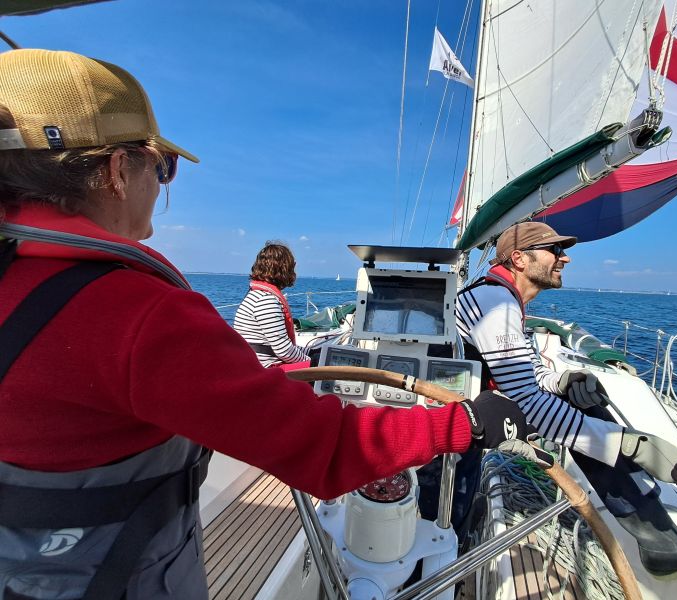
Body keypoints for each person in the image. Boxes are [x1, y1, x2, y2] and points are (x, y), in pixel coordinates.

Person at [0, 48, 530, 600]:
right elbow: (328, 449)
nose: (162, 187)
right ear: (115, 171)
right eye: (162, 166)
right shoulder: (138, 314)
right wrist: (464, 422)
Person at [455, 221, 677, 580]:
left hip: (480, 410)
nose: (565, 258)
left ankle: (660, 538)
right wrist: (627, 444)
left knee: (578, 400)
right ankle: (662, 541)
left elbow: (530, 377)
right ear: (519, 259)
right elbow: (525, 399)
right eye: (554, 251)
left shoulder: (502, 298)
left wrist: (565, 379)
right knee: (585, 418)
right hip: (468, 420)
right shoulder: (495, 302)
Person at [234, 242, 310, 371]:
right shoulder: (266, 300)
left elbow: (279, 346)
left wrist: (312, 351)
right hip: (266, 370)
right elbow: (283, 350)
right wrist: (312, 362)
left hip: (258, 363)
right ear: (285, 269)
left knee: (322, 354)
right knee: (327, 364)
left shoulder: (257, 294)